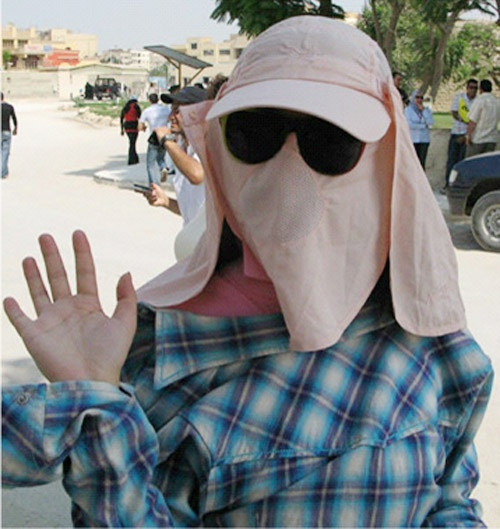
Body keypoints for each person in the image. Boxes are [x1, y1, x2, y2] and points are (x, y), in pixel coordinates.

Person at [2, 17, 492, 527]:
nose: (288, 171)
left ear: (385, 157)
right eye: (255, 134)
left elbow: (450, 499)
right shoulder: (155, 347)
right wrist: (95, 396)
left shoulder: (432, 341)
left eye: (330, 140)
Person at [444, 79, 478, 188]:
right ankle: (448, 184)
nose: (473, 90)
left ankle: (459, 185)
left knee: (463, 161)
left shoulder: (478, 101)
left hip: (468, 135)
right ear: (467, 88)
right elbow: (454, 112)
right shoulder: (459, 97)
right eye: (471, 87)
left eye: (475, 88)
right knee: (451, 160)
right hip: (457, 132)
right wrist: (465, 120)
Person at [138, 93, 170, 185]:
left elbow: (140, 126)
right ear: (158, 100)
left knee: (150, 164)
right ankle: (163, 167)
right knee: (161, 157)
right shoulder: (166, 109)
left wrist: (144, 127)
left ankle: (154, 184)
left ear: (149, 100)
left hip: (154, 136)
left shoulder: (147, 111)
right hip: (165, 135)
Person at [466, 79, 500, 157]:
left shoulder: (480, 100)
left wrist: (468, 135)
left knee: (472, 161)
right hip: (492, 138)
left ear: (480, 89)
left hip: (478, 138)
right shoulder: (497, 102)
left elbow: (473, 121)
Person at [404, 90, 434, 168]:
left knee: (421, 162)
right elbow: (409, 125)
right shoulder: (408, 110)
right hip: (413, 139)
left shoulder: (426, 110)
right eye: (417, 97)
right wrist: (423, 126)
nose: (419, 100)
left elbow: (430, 122)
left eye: (421, 97)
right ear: (413, 98)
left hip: (424, 140)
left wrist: (423, 111)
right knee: (412, 163)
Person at [120, 96, 141, 165]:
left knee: (131, 142)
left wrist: (122, 129)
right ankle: (132, 159)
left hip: (127, 126)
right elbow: (140, 116)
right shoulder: (136, 106)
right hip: (134, 126)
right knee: (132, 143)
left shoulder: (125, 107)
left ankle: (135, 158)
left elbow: (121, 119)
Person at [1, 92, 18, 179]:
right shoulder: (9, 107)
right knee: (5, 152)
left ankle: (3, 171)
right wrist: (15, 128)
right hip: (6, 131)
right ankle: (3, 172)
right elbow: (14, 119)